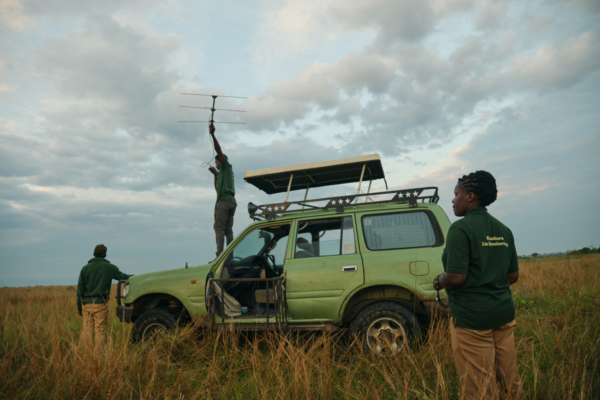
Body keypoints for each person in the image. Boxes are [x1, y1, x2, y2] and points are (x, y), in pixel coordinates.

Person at [433, 171, 523, 399]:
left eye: (456, 194)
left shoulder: (460, 229)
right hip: (503, 315)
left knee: (479, 387)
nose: (453, 200)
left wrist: (438, 281)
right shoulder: (503, 230)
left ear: (470, 196)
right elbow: (513, 275)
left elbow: (455, 278)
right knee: (510, 380)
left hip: (472, 320)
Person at [77, 244, 132, 353]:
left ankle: (87, 356)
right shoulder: (110, 267)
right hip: (100, 304)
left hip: (86, 304)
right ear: (105, 254)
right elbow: (124, 277)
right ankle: (98, 358)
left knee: (87, 331)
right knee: (99, 332)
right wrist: (138, 277)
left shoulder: (85, 268)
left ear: (94, 253)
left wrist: (79, 307)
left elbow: (80, 290)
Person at [208, 123, 237, 257]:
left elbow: (218, 149)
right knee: (228, 230)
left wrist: (213, 134)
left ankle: (219, 256)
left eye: (216, 162)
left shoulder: (225, 165)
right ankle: (230, 255)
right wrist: (215, 174)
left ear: (221, 160)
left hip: (223, 203)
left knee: (218, 228)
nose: (216, 164)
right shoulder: (225, 173)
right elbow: (217, 190)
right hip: (231, 203)